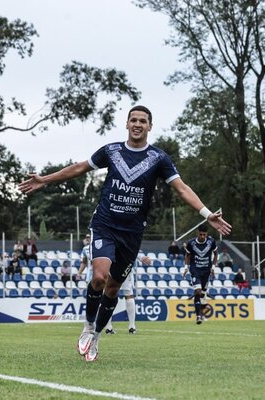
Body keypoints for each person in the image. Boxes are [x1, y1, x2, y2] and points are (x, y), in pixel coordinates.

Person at [18, 105, 232, 362]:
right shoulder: (111, 151)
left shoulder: (159, 159)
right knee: (99, 277)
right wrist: (45, 180)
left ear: (150, 126)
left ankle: (96, 335)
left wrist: (207, 213)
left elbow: (182, 188)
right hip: (105, 225)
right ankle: (87, 326)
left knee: (113, 288)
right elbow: (78, 168)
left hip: (131, 234)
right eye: (133, 120)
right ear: (127, 123)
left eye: (143, 121)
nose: (138, 124)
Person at [104, 255, 151, 335]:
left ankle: (109, 327)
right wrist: (141, 257)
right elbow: (131, 247)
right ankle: (131, 327)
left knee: (111, 295)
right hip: (124, 266)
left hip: (114, 266)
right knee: (128, 295)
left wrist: (141, 257)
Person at [182, 224, 218, 325]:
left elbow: (215, 254)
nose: (202, 236)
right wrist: (186, 267)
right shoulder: (191, 243)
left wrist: (213, 268)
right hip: (195, 270)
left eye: (204, 235)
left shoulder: (211, 242)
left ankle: (200, 312)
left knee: (202, 293)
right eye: (200, 234)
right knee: (197, 292)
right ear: (198, 233)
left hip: (206, 271)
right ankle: (198, 316)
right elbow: (187, 255)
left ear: (206, 234)